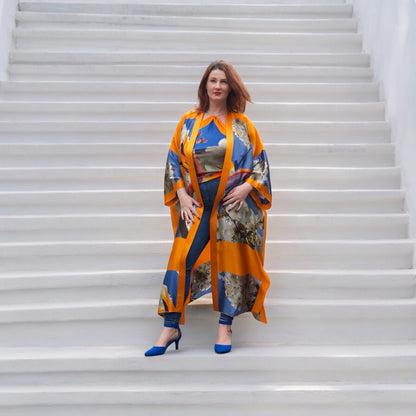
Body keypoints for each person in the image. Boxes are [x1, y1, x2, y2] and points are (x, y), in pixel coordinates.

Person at [145, 60, 272, 357]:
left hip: (232, 210)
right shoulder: (189, 122)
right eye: (212, 81)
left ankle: (225, 324)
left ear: (231, 88)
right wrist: (182, 195)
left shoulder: (242, 124)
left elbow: (260, 163)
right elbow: (174, 159)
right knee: (181, 259)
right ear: (205, 85)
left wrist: (247, 187)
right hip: (198, 206)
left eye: (223, 82)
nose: (217, 86)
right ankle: (171, 325)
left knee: (230, 264)